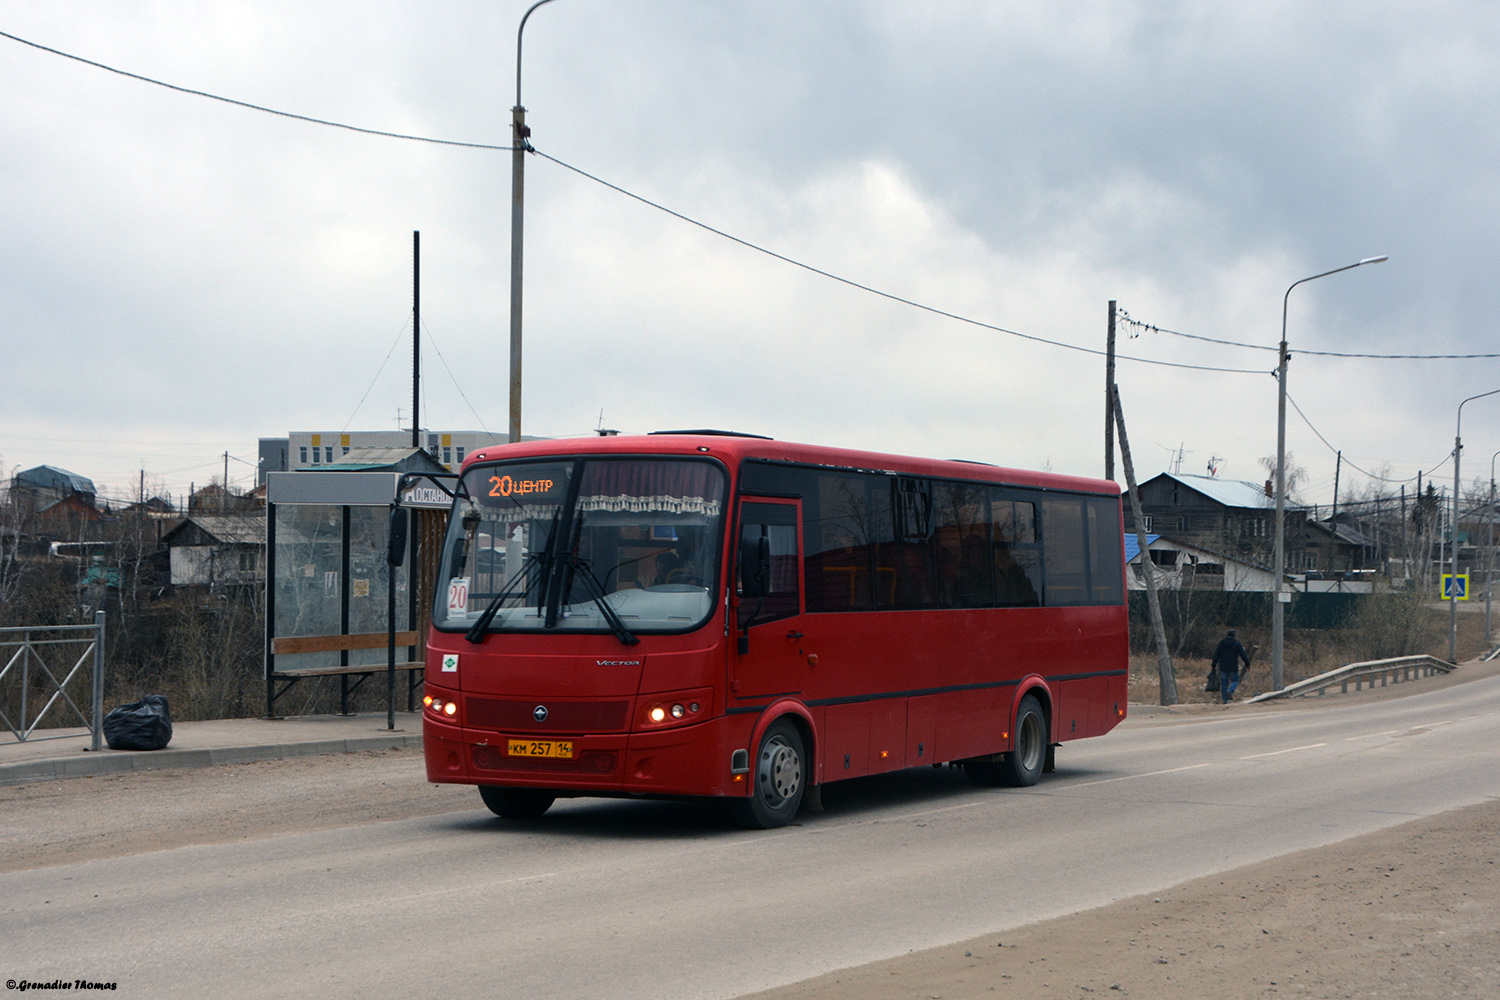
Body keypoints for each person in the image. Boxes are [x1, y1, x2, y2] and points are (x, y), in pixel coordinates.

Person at [1211, 628, 1251, 703]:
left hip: (1223, 667)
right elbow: (1243, 655)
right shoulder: (1237, 644)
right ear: (1234, 635)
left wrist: (1213, 665)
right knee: (1235, 680)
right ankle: (1230, 690)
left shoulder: (1221, 643)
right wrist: (1247, 664)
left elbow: (1216, 655)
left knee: (1224, 683)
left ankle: (1224, 700)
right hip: (1233, 667)